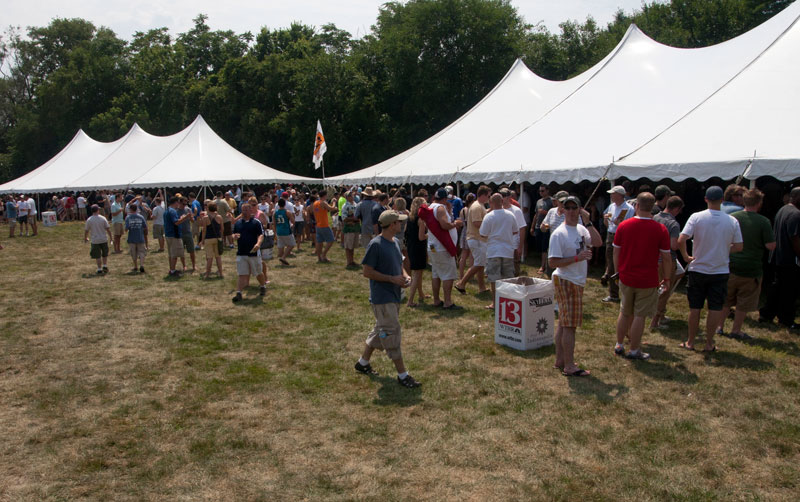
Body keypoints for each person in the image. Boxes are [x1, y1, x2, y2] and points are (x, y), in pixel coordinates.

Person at [353, 210, 421, 388]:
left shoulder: (396, 242)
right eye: (399, 222)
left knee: (380, 330)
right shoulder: (376, 245)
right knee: (391, 334)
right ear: (392, 225)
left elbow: (399, 265)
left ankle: (363, 363)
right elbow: (367, 272)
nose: (402, 224)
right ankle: (403, 375)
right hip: (382, 299)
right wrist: (392, 279)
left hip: (394, 295)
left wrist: (405, 277)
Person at [677, 186, 744, 352]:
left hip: (698, 268)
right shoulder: (732, 220)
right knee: (715, 308)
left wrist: (686, 256)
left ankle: (691, 342)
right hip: (720, 270)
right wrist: (723, 248)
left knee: (695, 307)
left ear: (706, 199)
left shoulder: (696, 217)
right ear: (722, 200)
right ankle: (709, 343)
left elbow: (681, 239)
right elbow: (739, 246)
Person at [612, 193, 672, 360]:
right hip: (647, 278)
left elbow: (616, 252)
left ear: (637, 205)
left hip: (626, 276)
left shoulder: (623, 226)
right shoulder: (660, 229)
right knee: (640, 315)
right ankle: (634, 349)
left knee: (624, 312)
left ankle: (619, 344)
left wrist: (617, 272)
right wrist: (667, 278)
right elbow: (666, 257)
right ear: (652, 207)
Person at [548, 195, 602, 376]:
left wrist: (588, 222)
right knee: (570, 325)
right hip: (566, 280)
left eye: (574, 207)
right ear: (562, 210)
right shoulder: (559, 233)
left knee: (564, 323)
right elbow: (553, 262)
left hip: (576, 280)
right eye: (567, 208)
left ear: (580, 209)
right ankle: (569, 366)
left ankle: (561, 360)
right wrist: (577, 258)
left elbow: (597, 242)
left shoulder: (581, 229)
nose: (571, 211)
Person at [716, 189, 776, 339]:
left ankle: (719, 326)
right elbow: (771, 246)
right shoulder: (763, 222)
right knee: (744, 301)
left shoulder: (732, 218)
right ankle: (736, 330)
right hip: (751, 268)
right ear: (759, 203)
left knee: (726, 299)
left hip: (730, 265)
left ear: (744, 201)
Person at [758, 187, 800, 330]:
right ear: (796, 197)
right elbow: (795, 238)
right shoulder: (796, 214)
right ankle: (786, 319)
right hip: (789, 258)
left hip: (778, 256)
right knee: (789, 291)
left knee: (777, 287)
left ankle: (767, 313)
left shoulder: (783, 210)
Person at [421, 187, 463, 309]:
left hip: (433, 245)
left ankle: (436, 300)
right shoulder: (440, 208)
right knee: (448, 275)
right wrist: (456, 224)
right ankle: (448, 302)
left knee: (436, 274)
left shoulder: (430, 207)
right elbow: (444, 225)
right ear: (444, 199)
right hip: (442, 247)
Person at [651, 195, 686, 330]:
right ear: (677, 208)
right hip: (666, 260)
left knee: (656, 289)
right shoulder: (673, 224)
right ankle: (655, 321)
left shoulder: (655, 218)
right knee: (664, 290)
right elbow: (673, 246)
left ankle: (659, 314)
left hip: (654, 258)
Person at [479, 193, 517, 310]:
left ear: (491, 202)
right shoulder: (510, 215)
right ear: (502, 201)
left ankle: (495, 303)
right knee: (507, 279)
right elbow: (515, 231)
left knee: (494, 279)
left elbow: (482, 233)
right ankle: (508, 303)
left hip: (494, 250)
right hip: (507, 250)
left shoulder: (489, 216)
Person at [601, 185, 634, 302]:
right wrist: (606, 220)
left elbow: (629, 226)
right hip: (611, 236)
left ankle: (626, 292)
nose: (610, 196)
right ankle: (613, 293)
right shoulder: (611, 206)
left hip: (623, 237)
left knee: (624, 263)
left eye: (613, 194)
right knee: (611, 264)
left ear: (619, 195)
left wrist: (618, 223)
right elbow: (608, 225)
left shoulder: (629, 208)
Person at [455, 185, 490, 295]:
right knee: (479, 264)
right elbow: (476, 223)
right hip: (476, 238)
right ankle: (461, 283)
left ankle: (482, 287)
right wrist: (489, 224)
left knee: (481, 263)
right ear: (483, 195)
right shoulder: (476, 207)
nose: (489, 198)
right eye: (488, 196)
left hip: (477, 238)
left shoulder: (480, 206)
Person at [232, 203, 267, 302]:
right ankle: (238, 293)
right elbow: (233, 234)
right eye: (242, 210)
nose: (244, 212)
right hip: (241, 252)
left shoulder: (256, 222)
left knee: (258, 273)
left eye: (246, 210)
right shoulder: (238, 223)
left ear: (251, 211)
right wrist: (234, 236)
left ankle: (262, 285)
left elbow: (261, 235)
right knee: (242, 274)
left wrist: (258, 244)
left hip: (253, 253)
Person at [405, 197, 428, 307]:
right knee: (417, 274)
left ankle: (421, 294)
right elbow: (421, 237)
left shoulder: (410, 217)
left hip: (411, 246)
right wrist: (430, 234)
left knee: (418, 272)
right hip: (419, 247)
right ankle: (410, 300)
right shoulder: (421, 219)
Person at [164, 196, 192, 277]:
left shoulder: (167, 210)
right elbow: (176, 222)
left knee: (171, 254)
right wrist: (185, 217)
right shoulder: (172, 211)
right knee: (175, 254)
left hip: (168, 234)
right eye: (178, 203)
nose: (179, 204)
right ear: (176, 202)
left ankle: (171, 269)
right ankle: (173, 271)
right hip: (174, 235)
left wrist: (180, 218)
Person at [501, 188, 526, 276]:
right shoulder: (498, 210)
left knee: (515, 269)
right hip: (501, 244)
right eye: (500, 196)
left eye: (503, 196)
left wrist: (520, 247)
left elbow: (522, 228)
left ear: (509, 197)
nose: (502, 198)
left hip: (513, 243)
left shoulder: (516, 211)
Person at [83, 204, 113, 274]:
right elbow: (108, 229)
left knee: (97, 255)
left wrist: (85, 238)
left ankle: (99, 269)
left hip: (95, 240)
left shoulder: (89, 219)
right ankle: (105, 265)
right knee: (104, 254)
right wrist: (111, 238)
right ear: (98, 210)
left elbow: (86, 230)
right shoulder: (103, 218)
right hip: (103, 239)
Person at [531, 185, 553, 275]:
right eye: (540, 191)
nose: (541, 193)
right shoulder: (538, 201)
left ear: (547, 191)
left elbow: (554, 213)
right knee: (540, 246)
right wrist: (532, 227)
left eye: (543, 191)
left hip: (547, 226)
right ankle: (543, 264)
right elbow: (536, 214)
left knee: (544, 247)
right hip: (538, 226)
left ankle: (543, 266)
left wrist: (545, 212)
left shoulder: (551, 201)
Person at [199, 201, 224, 279]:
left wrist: (202, 240)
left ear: (208, 208)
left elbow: (204, 230)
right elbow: (222, 229)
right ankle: (221, 273)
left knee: (209, 257)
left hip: (208, 239)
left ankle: (207, 274)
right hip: (217, 238)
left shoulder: (205, 218)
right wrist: (221, 237)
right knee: (218, 257)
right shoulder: (219, 217)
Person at [313, 190, 337, 262]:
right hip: (324, 225)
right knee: (331, 240)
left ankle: (319, 258)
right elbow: (331, 208)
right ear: (324, 195)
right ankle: (323, 254)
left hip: (318, 224)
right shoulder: (323, 202)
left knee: (319, 242)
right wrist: (334, 202)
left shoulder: (315, 203)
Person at [124, 203, 149, 273]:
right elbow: (145, 226)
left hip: (132, 238)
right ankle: (141, 265)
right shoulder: (141, 217)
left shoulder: (128, 217)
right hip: (140, 237)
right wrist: (145, 232)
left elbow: (126, 229)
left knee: (133, 253)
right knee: (141, 252)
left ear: (131, 209)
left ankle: (135, 266)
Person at [341, 191, 361, 268]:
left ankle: (352, 261)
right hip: (349, 228)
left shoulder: (355, 204)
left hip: (355, 227)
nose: (352, 196)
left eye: (352, 195)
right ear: (347, 197)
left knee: (352, 246)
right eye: (350, 195)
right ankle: (349, 262)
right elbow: (344, 218)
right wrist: (353, 219)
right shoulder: (345, 206)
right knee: (348, 246)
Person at [274, 197, 295, 266]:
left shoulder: (275, 213)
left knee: (281, 247)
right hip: (286, 230)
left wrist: (275, 233)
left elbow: (274, 224)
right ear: (285, 204)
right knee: (291, 244)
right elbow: (293, 221)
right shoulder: (287, 212)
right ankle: (283, 257)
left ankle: (282, 262)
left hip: (279, 231)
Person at [178, 196, 197, 272]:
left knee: (192, 250)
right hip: (180, 233)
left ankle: (193, 265)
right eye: (183, 203)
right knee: (181, 251)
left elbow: (192, 221)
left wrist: (191, 217)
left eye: (186, 203)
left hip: (188, 232)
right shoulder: (176, 211)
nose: (185, 205)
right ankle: (184, 266)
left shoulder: (188, 209)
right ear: (179, 203)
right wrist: (184, 217)